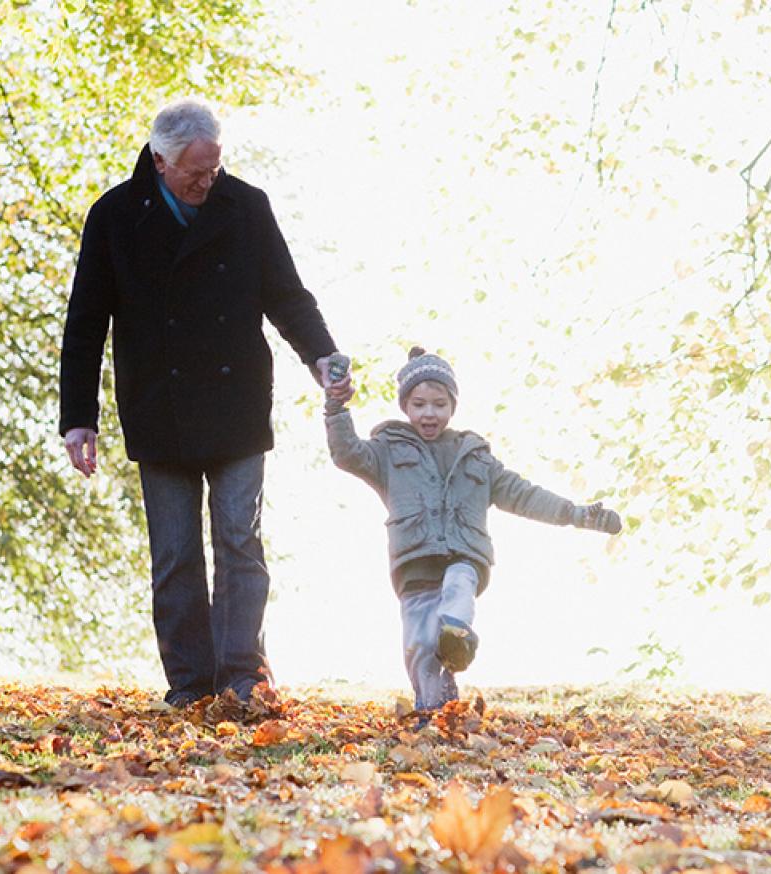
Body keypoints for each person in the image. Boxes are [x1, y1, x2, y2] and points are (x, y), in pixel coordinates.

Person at [58, 98, 352, 707]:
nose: (207, 180)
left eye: (215, 168)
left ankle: (242, 677)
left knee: (241, 542)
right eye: (196, 170)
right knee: (174, 555)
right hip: (157, 405)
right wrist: (78, 419)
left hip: (237, 400)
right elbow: (85, 322)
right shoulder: (114, 216)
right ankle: (190, 684)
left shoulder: (246, 207)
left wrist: (321, 356)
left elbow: (287, 296)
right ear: (161, 160)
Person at [324, 347, 621, 713]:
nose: (429, 413)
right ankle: (436, 710)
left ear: (452, 406)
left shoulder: (475, 455)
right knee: (419, 644)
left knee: (459, 584)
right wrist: (336, 408)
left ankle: (456, 632)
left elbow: (523, 495)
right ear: (405, 407)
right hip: (415, 562)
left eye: (439, 404)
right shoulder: (387, 451)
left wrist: (576, 514)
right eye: (419, 404)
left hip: (463, 556)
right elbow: (347, 454)